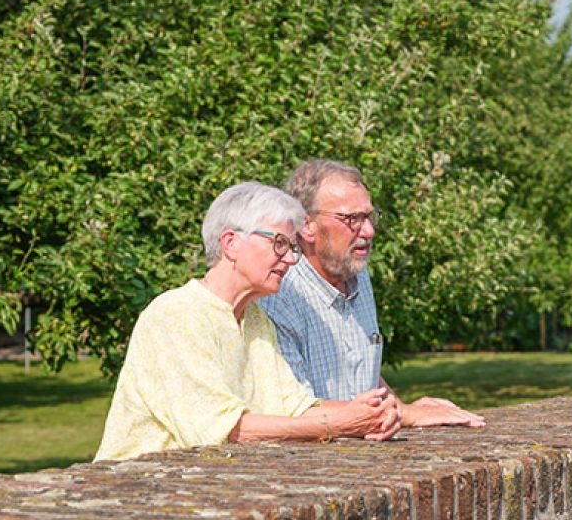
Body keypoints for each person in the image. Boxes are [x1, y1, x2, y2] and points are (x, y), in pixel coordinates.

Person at [95, 182, 401, 460]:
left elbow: (295, 407)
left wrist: (373, 413)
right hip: (139, 501)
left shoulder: (256, 318)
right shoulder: (176, 315)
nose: (292, 259)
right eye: (280, 243)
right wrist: (342, 422)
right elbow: (226, 431)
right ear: (230, 243)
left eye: (293, 247)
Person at [261, 159, 484, 428]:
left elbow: (359, 373)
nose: (368, 231)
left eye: (368, 216)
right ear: (306, 225)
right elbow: (296, 408)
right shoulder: (278, 295)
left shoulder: (356, 275)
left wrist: (397, 404)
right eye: (351, 219)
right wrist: (404, 414)